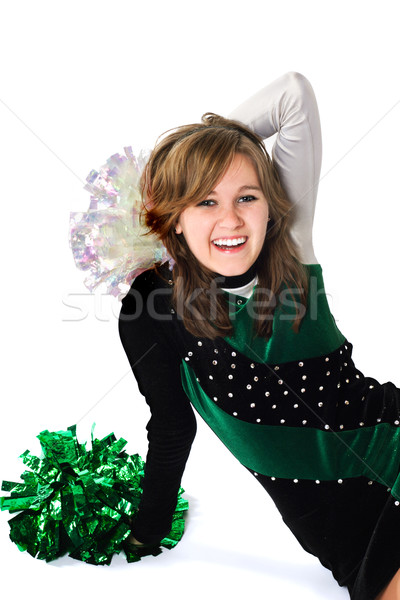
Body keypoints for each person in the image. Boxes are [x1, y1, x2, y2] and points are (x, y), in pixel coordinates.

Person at [118, 72, 400, 600]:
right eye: (203, 201)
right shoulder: (150, 307)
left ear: (269, 208)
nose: (230, 219)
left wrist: (203, 152)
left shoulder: (290, 250)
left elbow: (292, 94)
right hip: (349, 534)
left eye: (246, 196)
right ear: (174, 217)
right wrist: (146, 530)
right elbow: (173, 427)